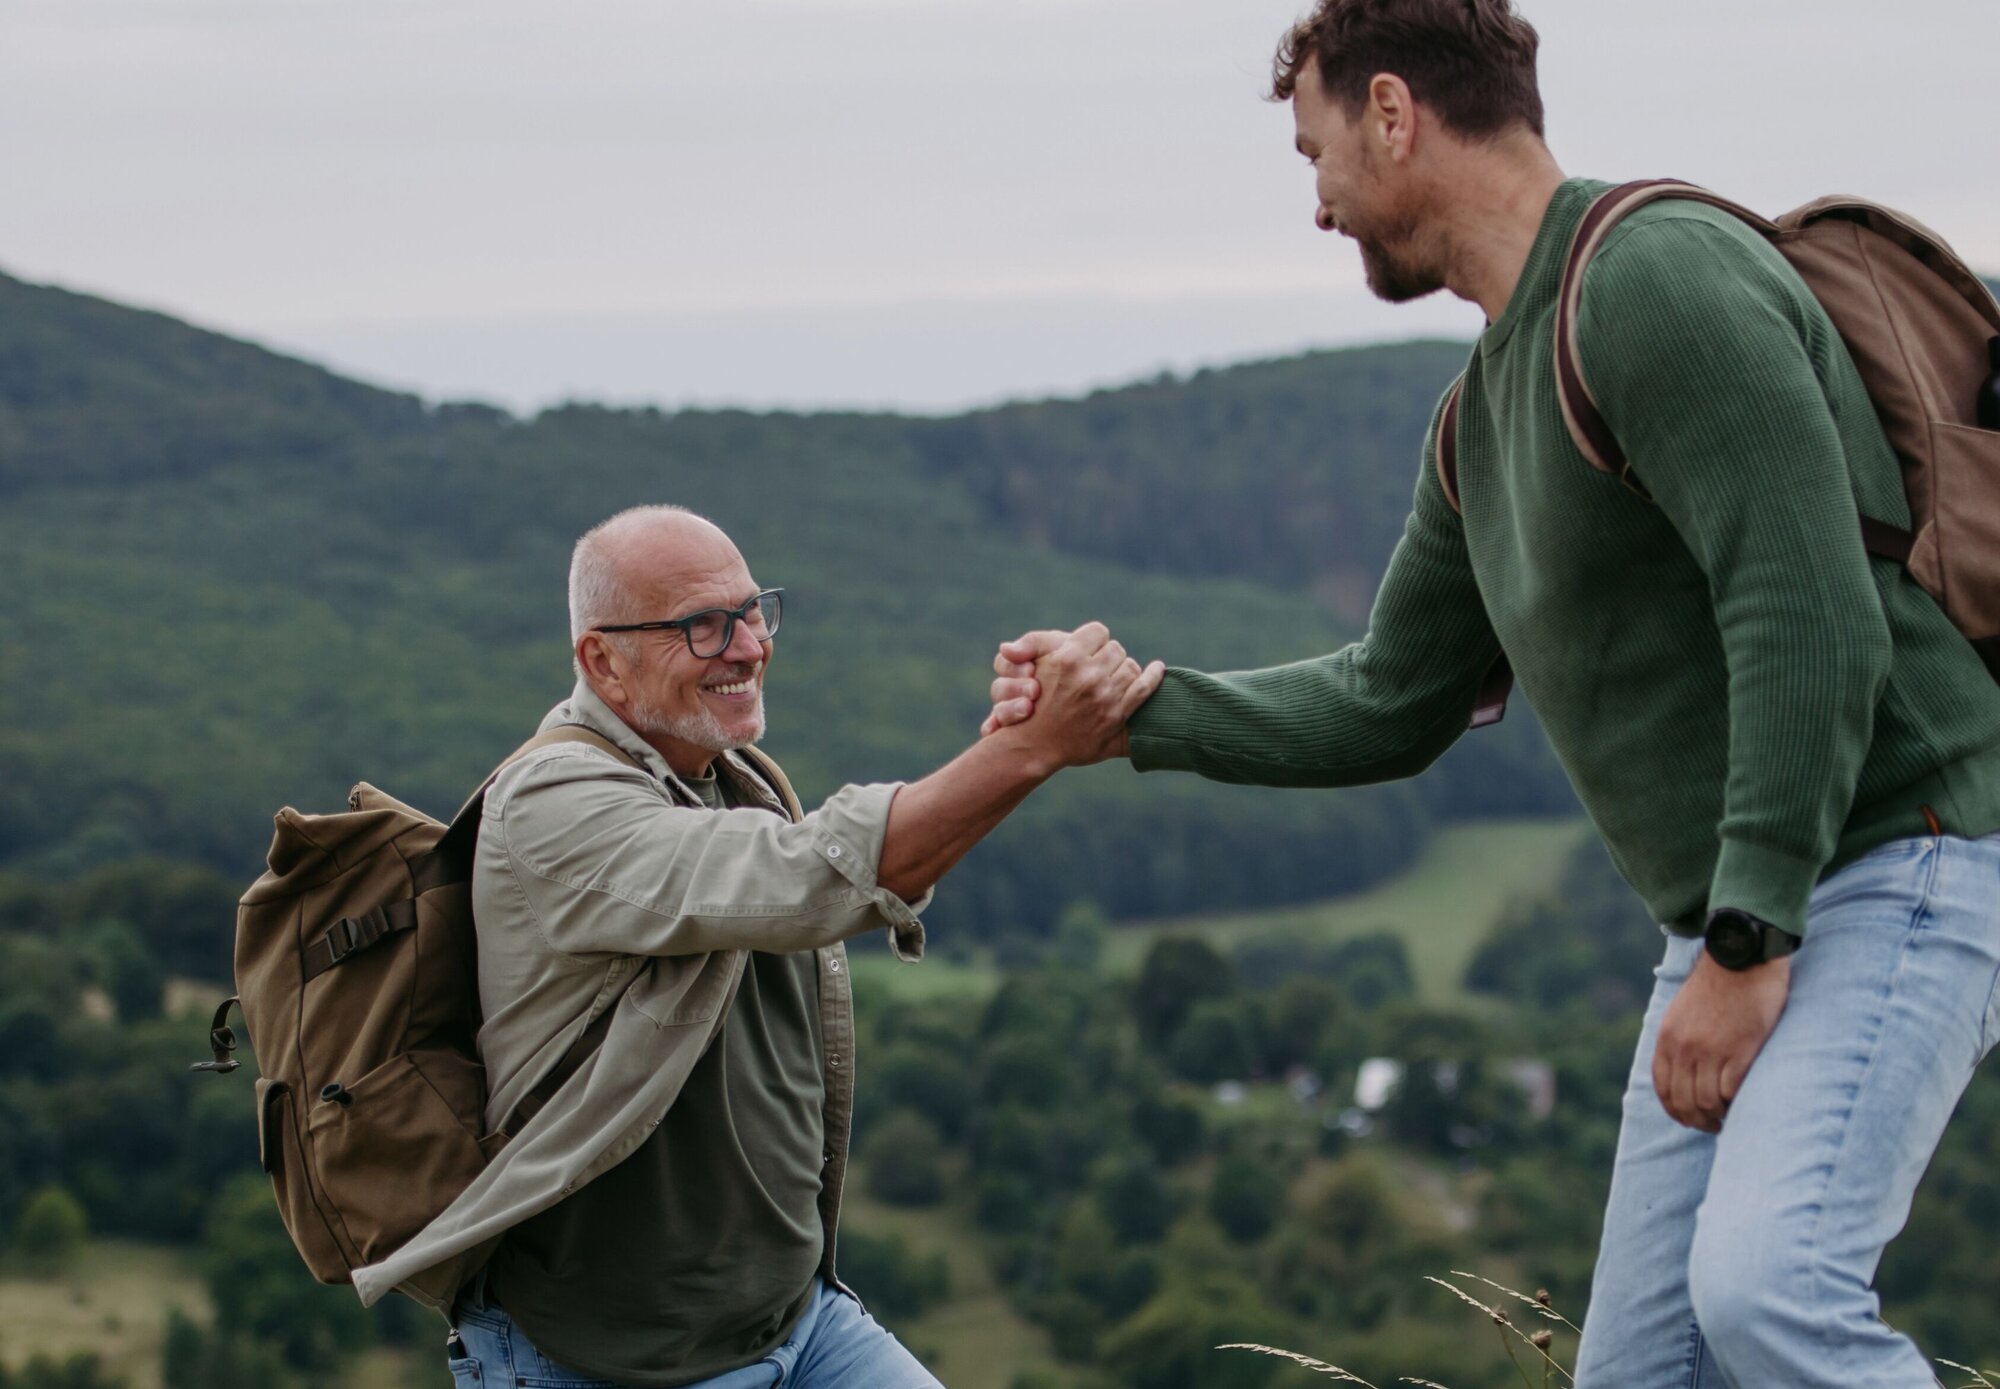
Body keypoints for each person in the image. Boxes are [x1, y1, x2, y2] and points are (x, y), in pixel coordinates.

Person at [982, 1, 2000, 1383]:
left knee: (1770, 1294)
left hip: (1897, 857)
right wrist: (1130, 714)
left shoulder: (1653, 280)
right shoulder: (1479, 417)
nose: (1319, 205)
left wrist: (1747, 942)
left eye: (1315, 154)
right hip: (1738, 915)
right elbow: (1390, 697)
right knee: (1640, 1370)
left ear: (1392, 114)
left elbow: (1808, 614)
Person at [368, 504, 1160, 1389]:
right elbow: (809, 876)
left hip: (799, 1322)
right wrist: (1033, 747)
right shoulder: (551, 804)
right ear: (602, 660)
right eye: (703, 626)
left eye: (753, 612)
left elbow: (835, 867)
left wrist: (1034, 735)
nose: (748, 646)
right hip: (605, 1359)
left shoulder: (726, 775)